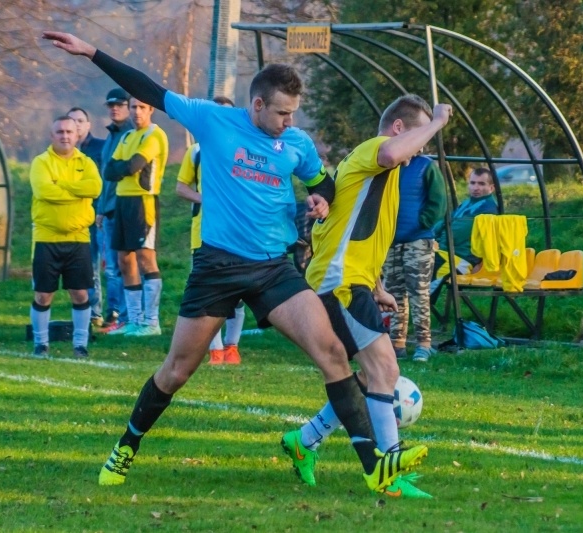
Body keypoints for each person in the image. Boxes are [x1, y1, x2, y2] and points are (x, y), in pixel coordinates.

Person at [43, 30, 426, 494]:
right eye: (282, 112)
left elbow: (323, 182)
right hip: (218, 268)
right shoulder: (214, 121)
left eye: (294, 113)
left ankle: (375, 467)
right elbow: (150, 90)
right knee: (177, 371)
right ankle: (126, 445)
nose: (289, 121)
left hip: (274, 268)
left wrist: (320, 200)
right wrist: (93, 52)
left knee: (332, 355)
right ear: (258, 105)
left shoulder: (297, 143)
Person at [281, 94, 453, 499]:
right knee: (385, 370)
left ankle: (304, 440)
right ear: (398, 128)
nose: (416, 155)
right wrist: (438, 122)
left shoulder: (379, 176)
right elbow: (395, 151)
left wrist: (377, 287)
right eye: (417, 142)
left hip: (348, 281)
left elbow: (355, 232)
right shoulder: (375, 150)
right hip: (339, 284)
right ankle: (388, 473)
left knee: (360, 376)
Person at [175, 95, 245, 365]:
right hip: (203, 231)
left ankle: (232, 347)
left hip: (238, 231)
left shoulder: (244, 147)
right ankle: (214, 350)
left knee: (237, 294)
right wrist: (206, 198)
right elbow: (181, 188)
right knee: (209, 292)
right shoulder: (196, 151)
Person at [29, 115, 102, 358]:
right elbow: (44, 191)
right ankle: (41, 344)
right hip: (47, 237)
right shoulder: (41, 162)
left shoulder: (87, 162)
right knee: (43, 294)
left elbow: (95, 188)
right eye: (60, 132)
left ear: (77, 135)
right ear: (52, 136)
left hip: (78, 238)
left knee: (80, 293)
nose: (65, 136)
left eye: (69, 132)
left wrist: (62, 185)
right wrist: (76, 190)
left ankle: (80, 344)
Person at [103, 97, 168, 337]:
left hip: (143, 202)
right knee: (124, 260)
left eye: (142, 107)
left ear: (151, 109)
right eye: (133, 107)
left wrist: (125, 168)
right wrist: (125, 168)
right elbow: (109, 170)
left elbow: (133, 166)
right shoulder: (127, 137)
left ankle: (152, 322)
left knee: (145, 258)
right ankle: (135, 320)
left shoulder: (155, 135)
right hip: (122, 201)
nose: (137, 112)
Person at [382, 154, 446, 362]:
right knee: (393, 293)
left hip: (418, 240)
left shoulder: (426, 166)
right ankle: (397, 343)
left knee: (419, 292)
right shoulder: (387, 163)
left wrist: (423, 221)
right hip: (390, 240)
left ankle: (424, 343)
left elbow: (439, 201)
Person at [97, 88, 134, 330]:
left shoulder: (132, 134)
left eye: (119, 104)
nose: (114, 108)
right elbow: (106, 177)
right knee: (112, 267)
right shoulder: (111, 135)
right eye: (111, 105)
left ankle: (128, 317)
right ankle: (117, 316)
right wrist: (101, 208)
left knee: (125, 265)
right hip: (108, 209)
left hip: (125, 207)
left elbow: (122, 174)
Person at [67, 107, 106, 328]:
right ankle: (85, 309)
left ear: (88, 125)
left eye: (81, 120)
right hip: (69, 217)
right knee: (78, 266)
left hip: (95, 215)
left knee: (97, 266)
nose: (77, 125)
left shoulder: (99, 148)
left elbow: (99, 184)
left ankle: (99, 312)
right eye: (72, 120)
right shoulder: (60, 154)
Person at [432, 167, 499, 284]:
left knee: (426, 267)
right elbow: (445, 222)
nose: (476, 188)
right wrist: (428, 234)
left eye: (481, 184)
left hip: (462, 259)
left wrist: (435, 238)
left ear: (491, 188)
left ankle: (425, 302)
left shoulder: (488, 208)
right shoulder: (467, 203)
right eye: (472, 183)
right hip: (447, 253)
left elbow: (455, 233)